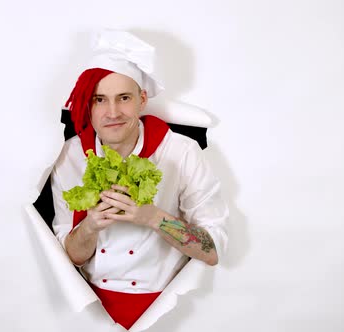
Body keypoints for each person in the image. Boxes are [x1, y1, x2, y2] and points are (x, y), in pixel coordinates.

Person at [51, 29, 229, 330]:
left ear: (142, 99)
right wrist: (91, 225)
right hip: (90, 311)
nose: (112, 113)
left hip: (169, 308)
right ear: (89, 106)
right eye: (99, 100)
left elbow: (212, 250)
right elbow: (68, 259)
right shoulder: (71, 156)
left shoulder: (180, 151)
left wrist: (153, 217)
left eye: (124, 98)